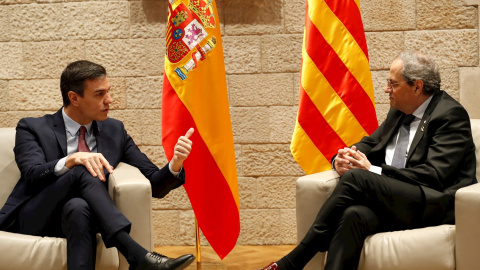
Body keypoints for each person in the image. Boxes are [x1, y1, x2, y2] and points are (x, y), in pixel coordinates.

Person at [258, 52, 477, 270]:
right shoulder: (400, 111)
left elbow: (434, 175)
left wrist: (372, 170)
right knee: (353, 215)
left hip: (431, 203)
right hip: (397, 201)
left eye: (393, 84)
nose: (386, 90)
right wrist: (341, 158)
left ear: (417, 87)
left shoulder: (450, 115)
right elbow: (370, 144)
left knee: (358, 178)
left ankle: (293, 261)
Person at [0, 60, 195, 270]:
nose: (109, 100)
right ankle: (136, 255)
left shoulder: (114, 131)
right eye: (99, 94)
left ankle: (138, 257)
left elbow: (154, 186)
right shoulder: (32, 127)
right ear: (74, 98)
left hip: (82, 218)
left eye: (108, 92)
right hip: (34, 216)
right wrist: (71, 160)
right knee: (81, 167)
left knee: (78, 207)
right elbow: (32, 174)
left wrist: (175, 164)